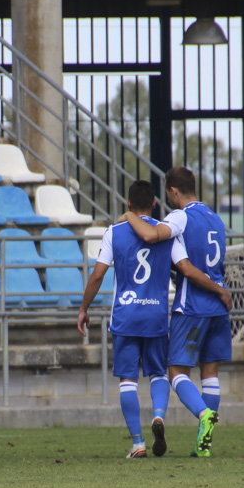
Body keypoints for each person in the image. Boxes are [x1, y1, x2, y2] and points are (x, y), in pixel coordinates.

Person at [121, 166, 232, 457]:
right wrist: (221, 290)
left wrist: (130, 215)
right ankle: (203, 443)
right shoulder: (216, 219)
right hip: (219, 311)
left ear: (172, 191)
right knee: (210, 374)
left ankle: (204, 414)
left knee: (176, 372)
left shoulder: (180, 216)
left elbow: (153, 236)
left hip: (193, 306)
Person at [77, 180, 176, 459]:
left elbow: (97, 275)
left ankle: (138, 443)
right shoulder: (165, 232)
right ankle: (158, 416)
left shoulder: (114, 232)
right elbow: (184, 268)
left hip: (126, 315)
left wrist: (84, 308)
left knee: (127, 381)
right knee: (158, 373)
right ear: (155, 203)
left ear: (128, 204)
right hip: (156, 313)